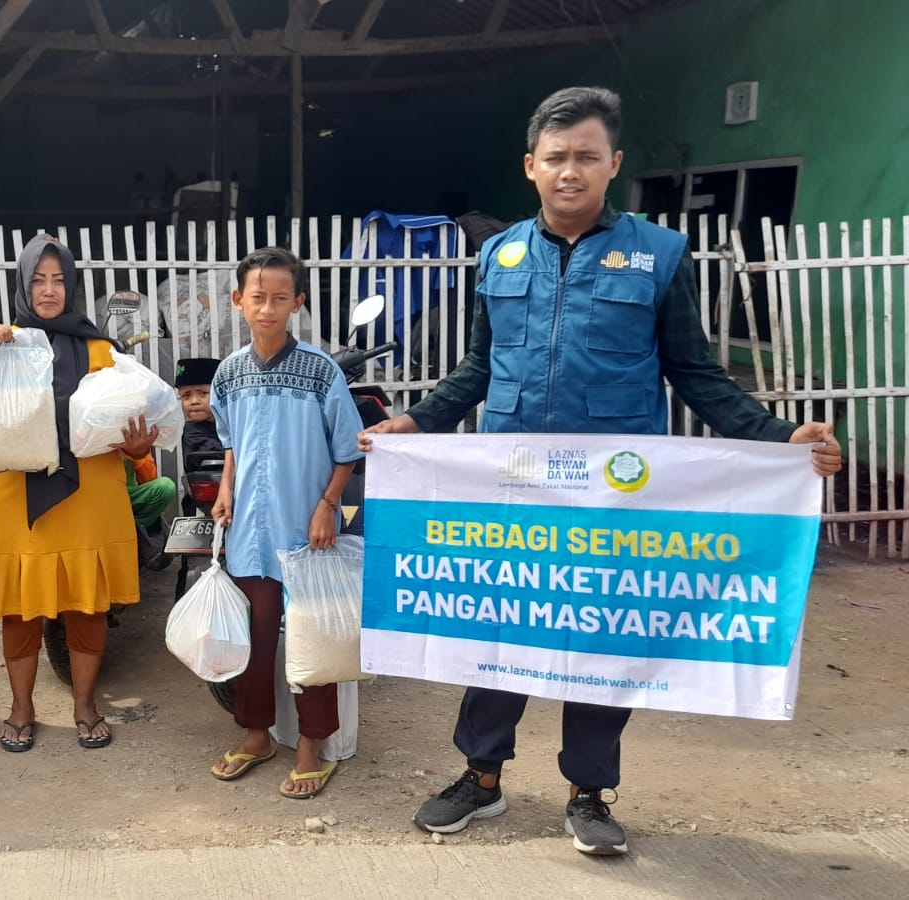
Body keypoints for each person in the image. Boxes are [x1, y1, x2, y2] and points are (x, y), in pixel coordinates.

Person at [360, 86, 844, 856]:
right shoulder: (499, 254)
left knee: (600, 635)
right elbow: (479, 368)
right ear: (530, 165)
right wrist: (414, 422)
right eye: (556, 157)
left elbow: (695, 371)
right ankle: (480, 778)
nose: (570, 171)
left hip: (615, 495)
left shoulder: (659, 255)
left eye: (587, 156)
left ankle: (589, 792)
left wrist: (781, 436)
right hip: (514, 487)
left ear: (613, 164)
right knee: (499, 629)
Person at [0, 234, 156, 752]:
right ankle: (21, 707)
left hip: (91, 498)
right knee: (20, 610)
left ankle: (85, 704)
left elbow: (125, 416)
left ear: (72, 286)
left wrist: (137, 448)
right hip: (18, 502)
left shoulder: (101, 350)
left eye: (59, 280)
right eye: (38, 280)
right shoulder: (7, 343)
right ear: (23, 286)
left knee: (87, 607)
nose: (49, 290)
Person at [207, 247, 363, 799]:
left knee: (310, 640)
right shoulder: (229, 373)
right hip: (249, 531)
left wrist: (327, 506)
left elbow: (348, 448)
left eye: (279, 298)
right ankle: (256, 736)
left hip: (306, 533)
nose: (267, 308)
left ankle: (310, 747)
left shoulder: (320, 371)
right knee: (253, 640)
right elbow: (231, 443)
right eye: (257, 297)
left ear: (297, 303)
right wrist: (225, 490)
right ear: (238, 301)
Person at [176, 357, 222, 457]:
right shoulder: (192, 433)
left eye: (203, 393)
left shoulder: (232, 425)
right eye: (186, 396)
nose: (194, 401)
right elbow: (222, 454)